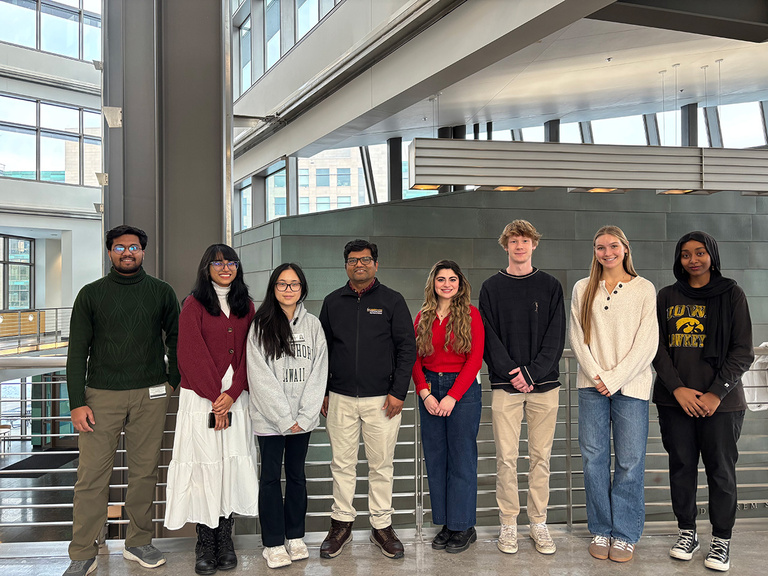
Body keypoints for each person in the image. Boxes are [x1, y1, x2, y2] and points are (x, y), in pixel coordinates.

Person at [64, 225, 180, 576]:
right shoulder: (90, 294)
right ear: (109, 252)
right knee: (92, 477)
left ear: (143, 252)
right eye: (119, 247)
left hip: (150, 395)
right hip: (100, 397)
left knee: (145, 473)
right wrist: (75, 401)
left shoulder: (161, 292)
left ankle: (138, 542)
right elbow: (76, 352)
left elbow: (176, 339)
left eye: (133, 247)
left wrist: (171, 382)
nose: (127, 252)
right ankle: (83, 551)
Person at [653, 231, 754, 572]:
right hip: (674, 401)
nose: (693, 259)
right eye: (685, 254)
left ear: (712, 255)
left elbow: (742, 351)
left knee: (720, 472)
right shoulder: (666, 296)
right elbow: (657, 349)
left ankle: (721, 540)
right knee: (681, 468)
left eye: (699, 253)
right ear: (678, 259)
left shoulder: (732, 295)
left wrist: (715, 393)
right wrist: (677, 389)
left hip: (721, 404)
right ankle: (687, 532)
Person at [318, 239, 417, 560]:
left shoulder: (392, 301)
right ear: (345, 264)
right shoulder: (333, 302)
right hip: (340, 399)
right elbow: (323, 354)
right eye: (352, 260)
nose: (358, 264)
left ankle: (381, 526)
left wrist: (398, 392)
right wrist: (322, 392)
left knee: (381, 466)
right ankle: (341, 525)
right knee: (342, 465)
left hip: (383, 400)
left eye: (365, 260)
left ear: (375, 264)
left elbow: (407, 349)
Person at [164, 244, 258, 575]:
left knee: (229, 464)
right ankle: (204, 540)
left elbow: (252, 354)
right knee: (206, 466)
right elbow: (188, 353)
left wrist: (232, 394)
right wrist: (215, 397)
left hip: (236, 399)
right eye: (217, 263)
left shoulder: (246, 306)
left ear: (237, 267)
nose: (225, 267)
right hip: (201, 399)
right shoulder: (193, 305)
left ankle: (225, 539)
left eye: (230, 262)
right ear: (207, 268)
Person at [569, 225, 658, 563]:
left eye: (613, 246)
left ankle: (624, 533)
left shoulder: (643, 289)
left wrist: (616, 378)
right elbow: (577, 337)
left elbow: (647, 343)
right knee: (593, 461)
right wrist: (597, 377)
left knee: (630, 462)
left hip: (631, 388)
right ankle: (601, 528)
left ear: (625, 248)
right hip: (591, 388)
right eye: (599, 247)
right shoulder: (582, 288)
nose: (606, 252)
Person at [478, 220, 565, 556]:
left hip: (545, 387)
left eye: (525, 240)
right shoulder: (491, 287)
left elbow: (556, 337)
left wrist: (531, 373)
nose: (519, 246)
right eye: (513, 241)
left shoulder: (550, 285)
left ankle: (538, 524)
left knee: (541, 458)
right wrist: (514, 373)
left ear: (534, 245)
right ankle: (509, 525)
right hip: (505, 386)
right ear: (505, 245)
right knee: (507, 459)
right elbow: (488, 337)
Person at [246, 263, 328, 569]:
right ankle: (272, 542)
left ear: (302, 288)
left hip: (302, 421)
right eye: (282, 284)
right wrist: (283, 418)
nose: (288, 289)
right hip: (270, 420)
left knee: (296, 476)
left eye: (294, 284)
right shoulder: (260, 325)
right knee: (269, 478)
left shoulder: (313, 326)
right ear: (273, 288)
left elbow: (319, 372)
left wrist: (305, 416)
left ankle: (295, 537)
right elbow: (259, 376)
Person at [412, 260, 484, 553]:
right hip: (430, 388)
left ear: (460, 283)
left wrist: (452, 395)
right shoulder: (422, 316)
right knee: (437, 458)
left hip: (462, 392)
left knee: (462, 458)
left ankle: (464, 525)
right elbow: (413, 358)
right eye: (441, 279)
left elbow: (475, 359)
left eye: (452, 279)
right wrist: (425, 393)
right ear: (433, 283)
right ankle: (446, 523)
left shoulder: (471, 314)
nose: (446, 284)